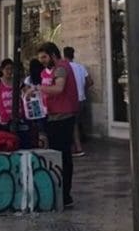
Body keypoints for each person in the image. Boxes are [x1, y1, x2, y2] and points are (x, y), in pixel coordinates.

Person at [29, 42, 79, 208]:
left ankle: (65, 194)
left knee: (63, 154)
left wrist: (38, 88)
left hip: (63, 116)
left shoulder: (61, 68)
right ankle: (60, 190)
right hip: (52, 115)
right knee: (57, 153)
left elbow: (58, 88)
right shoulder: (48, 71)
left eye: (44, 57)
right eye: (40, 58)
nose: (42, 61)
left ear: (52, 55)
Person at [63, 46, 93, 157]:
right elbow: (90, 81)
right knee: (76, 123)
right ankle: (77, 147)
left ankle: (77, 148)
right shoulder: (80, 67)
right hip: (81, 99)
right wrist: (82, 90)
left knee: (72, 125)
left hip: (71, 100)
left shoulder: (65, 67)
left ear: (64, 55)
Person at [0, 59, 14, 132]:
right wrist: (2, 114)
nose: (9, 71)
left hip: (14, 116)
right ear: (2, 69)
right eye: (7, 69)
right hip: (2, 115)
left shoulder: (15, 81)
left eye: (11, 69)